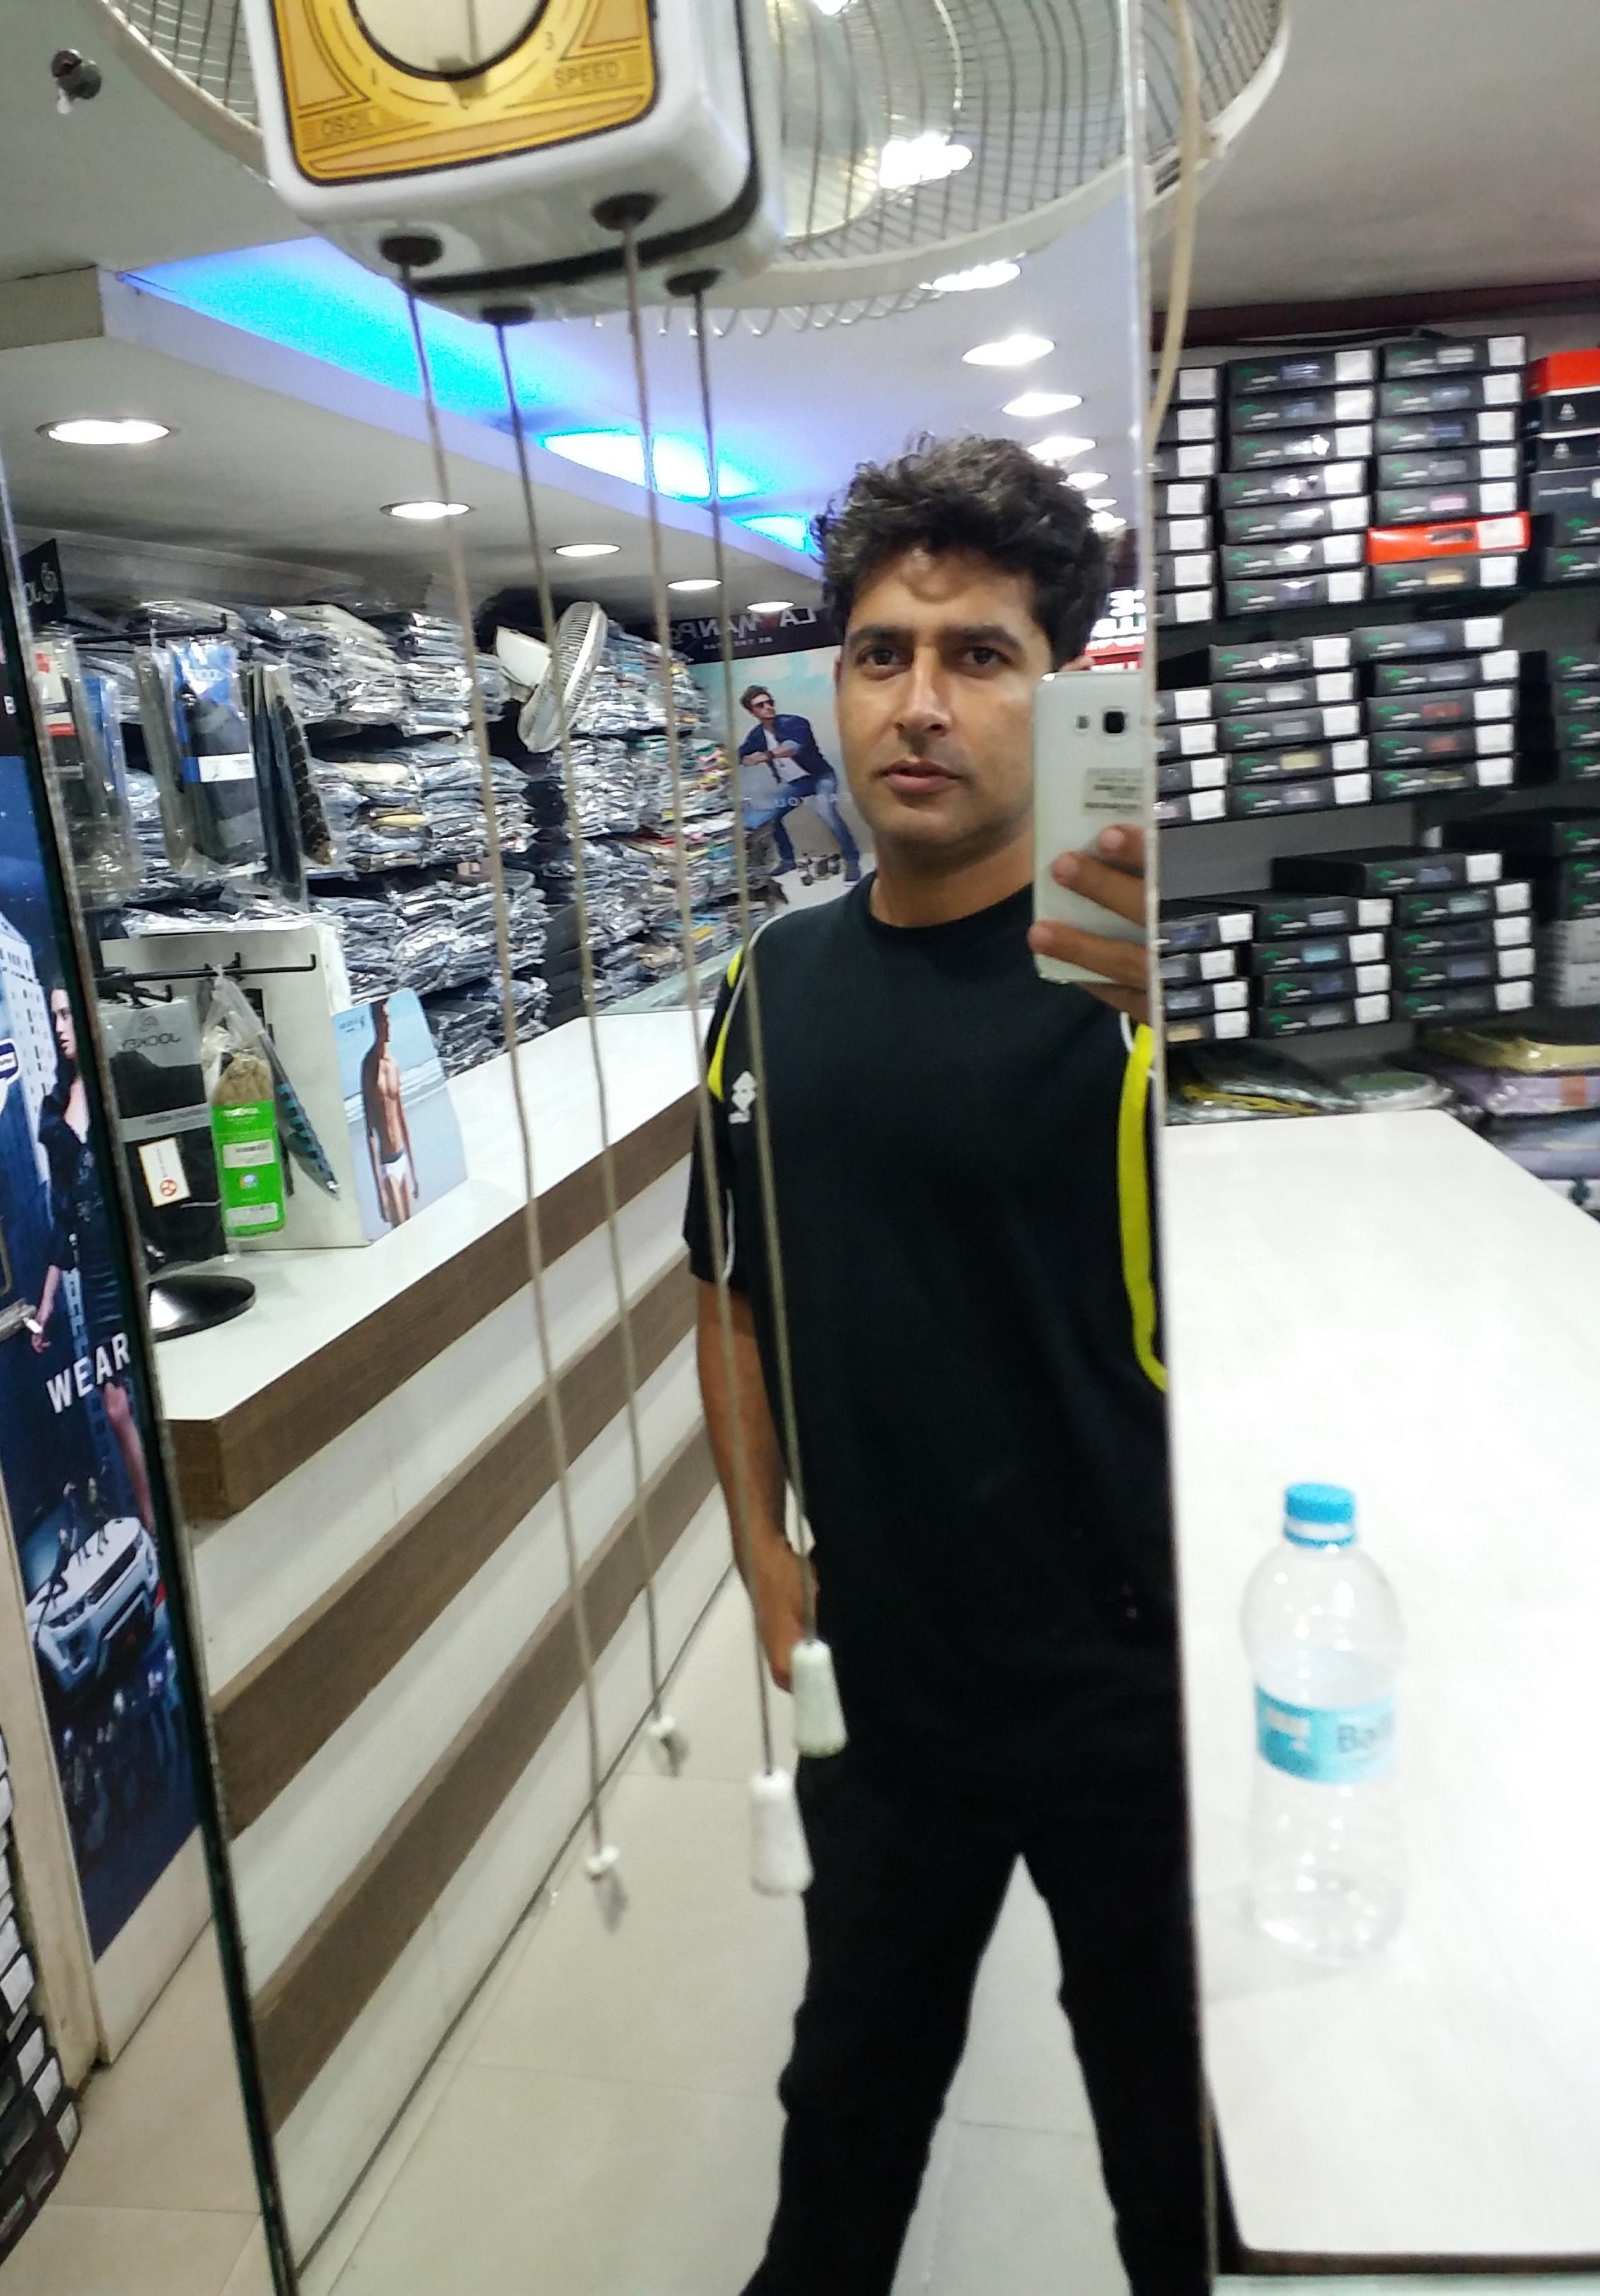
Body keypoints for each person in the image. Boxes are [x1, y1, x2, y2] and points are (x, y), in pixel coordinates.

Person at [685, 436, 1202, 2296]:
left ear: (1060, 691)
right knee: (846, 2123)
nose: (920, 703)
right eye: (881, 652)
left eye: (980, 655)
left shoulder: (1145, 993)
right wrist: (760, 1554)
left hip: (1138, 1699)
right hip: (889, 1693)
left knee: (1177, 2160)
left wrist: (1210, 1025)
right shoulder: (771, 992)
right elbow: (729, 1286)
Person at [31, 984, 155, 1536]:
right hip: (96, 1273)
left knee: (155, 1382)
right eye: (54, 1017)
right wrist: (46, 1305)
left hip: (134, 1254)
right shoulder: (55, 1105)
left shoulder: (121, 1075)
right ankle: (152, 1523)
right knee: (115, 1408)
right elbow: (61, 1215)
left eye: (67, 1014)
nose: (60, 1027)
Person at [739, 684, 864, 883]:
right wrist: (741, 759)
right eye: (760, 705)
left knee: (826, 812)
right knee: (772, 817)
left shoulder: (795, 722)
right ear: (752, 712)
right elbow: (741, 753)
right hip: (796, 783)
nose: (768, 707)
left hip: (821, 777)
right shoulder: (757, 735)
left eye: (770, 702)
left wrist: (764, 756)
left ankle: (852, 860)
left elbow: (791, 748)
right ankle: (788, 860)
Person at [361, 998, 417, 1227]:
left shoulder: (393, 1064)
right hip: (386, 1164)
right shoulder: (369, 1066)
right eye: (382, 1020)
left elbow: (402, 1118)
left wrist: (414, 1171)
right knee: (400, 1228)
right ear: (374, 1022)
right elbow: (369, 1132)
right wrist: (379, 1191)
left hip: (401, 1155)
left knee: (412, 1227)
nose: (387, 1025)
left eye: (388, 1019)